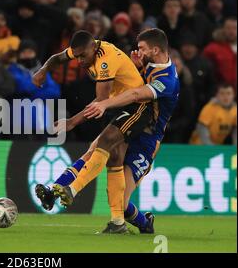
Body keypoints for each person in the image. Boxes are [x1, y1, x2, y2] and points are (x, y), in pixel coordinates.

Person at [33, 30, 153, 233]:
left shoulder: (106, 60)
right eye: (77, 56)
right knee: (112, 157)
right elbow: (57, 57)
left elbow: (101, 100)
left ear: (93, 48)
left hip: (137, 106)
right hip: (117, 106)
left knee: (103, 144)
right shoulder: (83, 49)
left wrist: (72, 122)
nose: (79, 61)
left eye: (83, 56)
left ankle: (72, 188)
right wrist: (43, 70)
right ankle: (117, 223)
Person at [74, 28, 180, 234]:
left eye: (142, 49)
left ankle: (144, 223)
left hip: (147, 141)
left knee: (121, 203)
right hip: (131, 126)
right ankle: (63, 187)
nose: (137, 51)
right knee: (94, 149)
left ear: (155, 50)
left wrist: (104, 104)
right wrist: (137, 66)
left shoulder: (167, 80)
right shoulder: (151, 64)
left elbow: (135, 94)